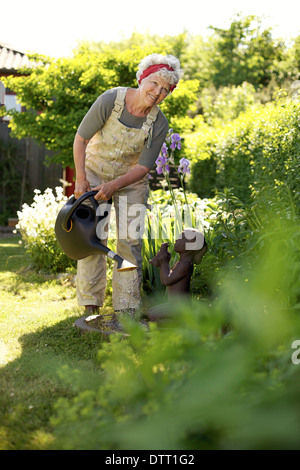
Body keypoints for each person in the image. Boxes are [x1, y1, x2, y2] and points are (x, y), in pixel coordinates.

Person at [73, 53, 183, 315]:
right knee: (93, 237)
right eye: (154, 83)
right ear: (143, 78)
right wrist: (81, 178)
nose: (157, 92)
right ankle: (91, 306)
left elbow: (144, 168)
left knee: (130, 241)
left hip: (131, 182)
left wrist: (115, 186)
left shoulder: (158, 122)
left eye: (165, 89)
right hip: (95, 174)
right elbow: (80, 138)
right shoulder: (111, 100)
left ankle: (127, 307)